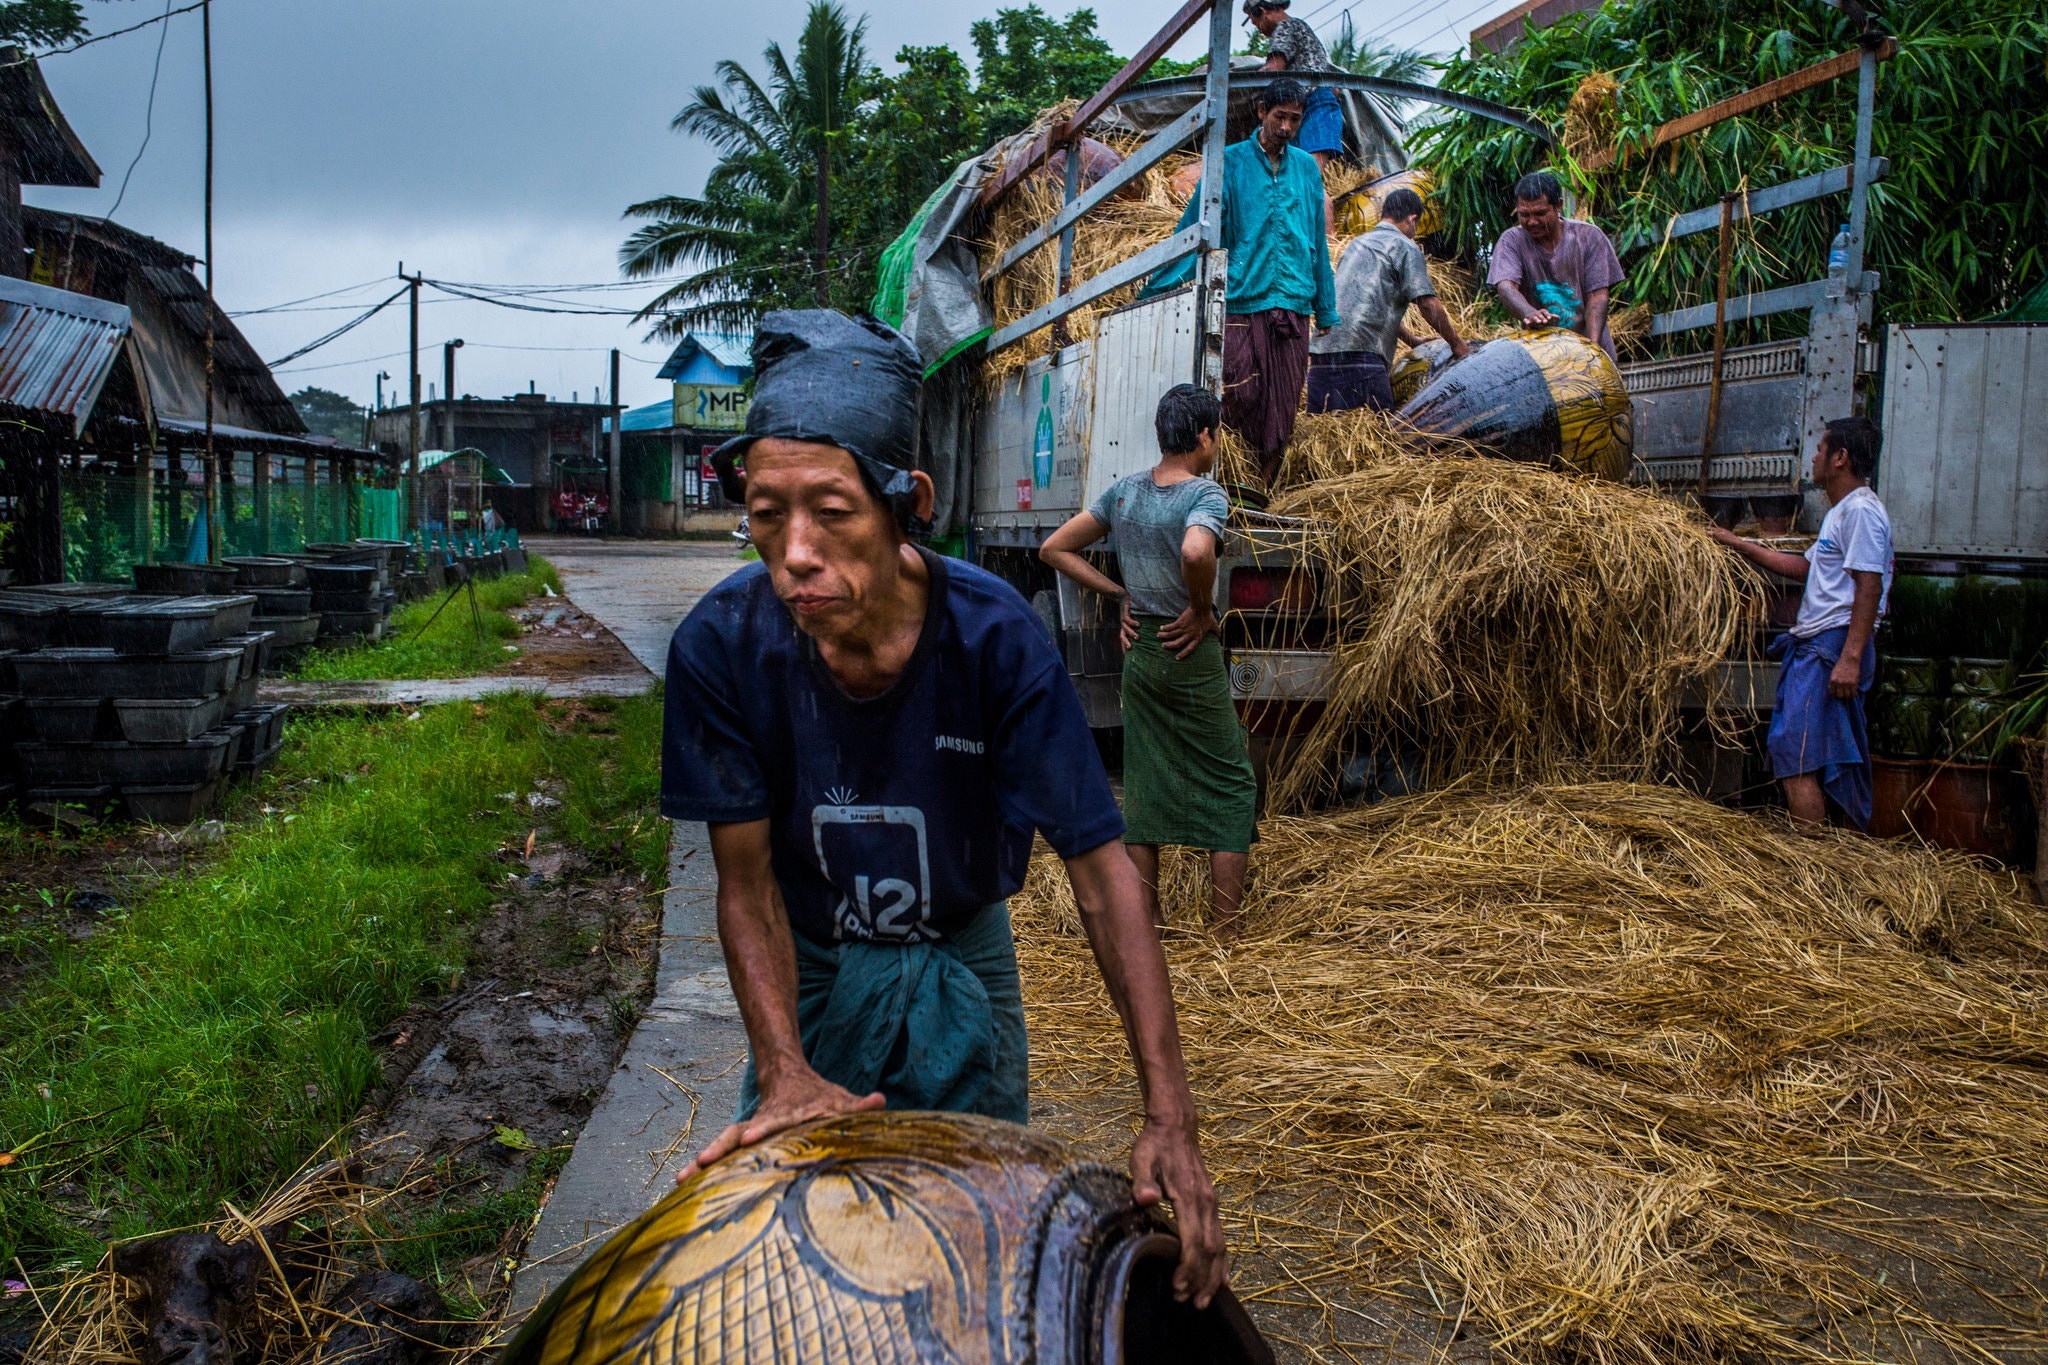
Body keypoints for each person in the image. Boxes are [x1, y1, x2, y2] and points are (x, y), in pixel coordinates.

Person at [662, 310, 1229, 1307]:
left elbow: (1102, 876)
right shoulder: (721, 650)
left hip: (962, 962)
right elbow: (745, 884)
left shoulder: (995, 643)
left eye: (830, 513)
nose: (793, 553)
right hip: (814, 969)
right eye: (764, 512)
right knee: (800, 1262)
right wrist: (783, 1066)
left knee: (970, 1256)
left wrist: (1167, 1116)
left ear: (906, 505)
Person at [1039, 384, 1258, 940]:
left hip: (1141, 653)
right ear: (1204, 436)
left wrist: (1120, 595)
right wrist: (1203, 609)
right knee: (1232, 782)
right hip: (1189, 649)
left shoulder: (1125, 492)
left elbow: (1054, 548)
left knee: (1145, 781)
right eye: (1217, 435)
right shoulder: (1206, 495)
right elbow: (1194, 551)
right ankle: (1225, 929)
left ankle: (1149, 923)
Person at [1147, 77, 1338, 488]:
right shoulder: (1230, 161)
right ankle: (1228, 481)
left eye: (1294, 120)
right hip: (1239, 300)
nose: (1286, 127)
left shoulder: (1306, 168)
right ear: (1261, 113)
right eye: (1279, 117)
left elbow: (1317, 240)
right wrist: (1157, 286)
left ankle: (1261, 492)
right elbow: (1196, 228)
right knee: (1239, 395)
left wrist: (1326, 306)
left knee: (1283, 404)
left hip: (1293, 302)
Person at [1711, 417, 1894, 831]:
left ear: (1840, 458)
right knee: (1820, 756)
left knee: (1797, 754)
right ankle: (1827, 859)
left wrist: (1848, 658)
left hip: (1831, 647)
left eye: (1820, 449)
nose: (1813, 457)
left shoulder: (1861, 511)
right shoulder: (1842, 513)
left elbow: (1869, 586)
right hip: (1825, 647)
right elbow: (1806, 569)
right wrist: (1740, 544)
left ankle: (1809, 865)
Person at [1307, 186, 1469, 413]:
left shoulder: (1356, 245)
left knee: (1322, 439)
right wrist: (1457, 345)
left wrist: (1412, 340)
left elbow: (1364, 304)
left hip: (1322, 357)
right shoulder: (1404, 246)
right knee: (1377, 440)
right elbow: (1428, 304)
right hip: (1363, 360)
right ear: (1413, 219)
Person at [1487, 170, 1627, 362]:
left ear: (1558, 205)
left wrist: (1592, 349)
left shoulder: (1588, 237)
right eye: (1524, 214)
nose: (1532, 221)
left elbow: (1597, 296)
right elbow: (1506, 287)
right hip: (1543, 355)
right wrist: (1530, 313)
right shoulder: (1511, 241)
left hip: (1592, 347)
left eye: (1540, 213)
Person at [1243, 0, 1343, 173]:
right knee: (1301, 167)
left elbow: (1274, 68)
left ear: (1262, 11)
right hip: (1315, 101)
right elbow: (1334, 89)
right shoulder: (1303, 29)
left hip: (1312, 102)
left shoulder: (1286, 27)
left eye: (1255, 23)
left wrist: (1240, 82)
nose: (1259, 30)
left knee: (1308, 171)